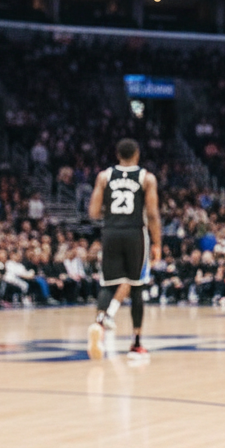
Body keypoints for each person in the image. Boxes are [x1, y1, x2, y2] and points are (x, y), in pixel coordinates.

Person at [87, 139, 162, 359]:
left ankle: (98, 324)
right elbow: (152, 214)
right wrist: (157, 243)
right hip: (135, 233)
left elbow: (93, 212)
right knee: (136, 287)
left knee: (108, 285)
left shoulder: (104, 176)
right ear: (137, 154)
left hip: (111, 232)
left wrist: (112, 214)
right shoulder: (146, 178)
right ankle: (136, 343)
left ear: (117, 155)